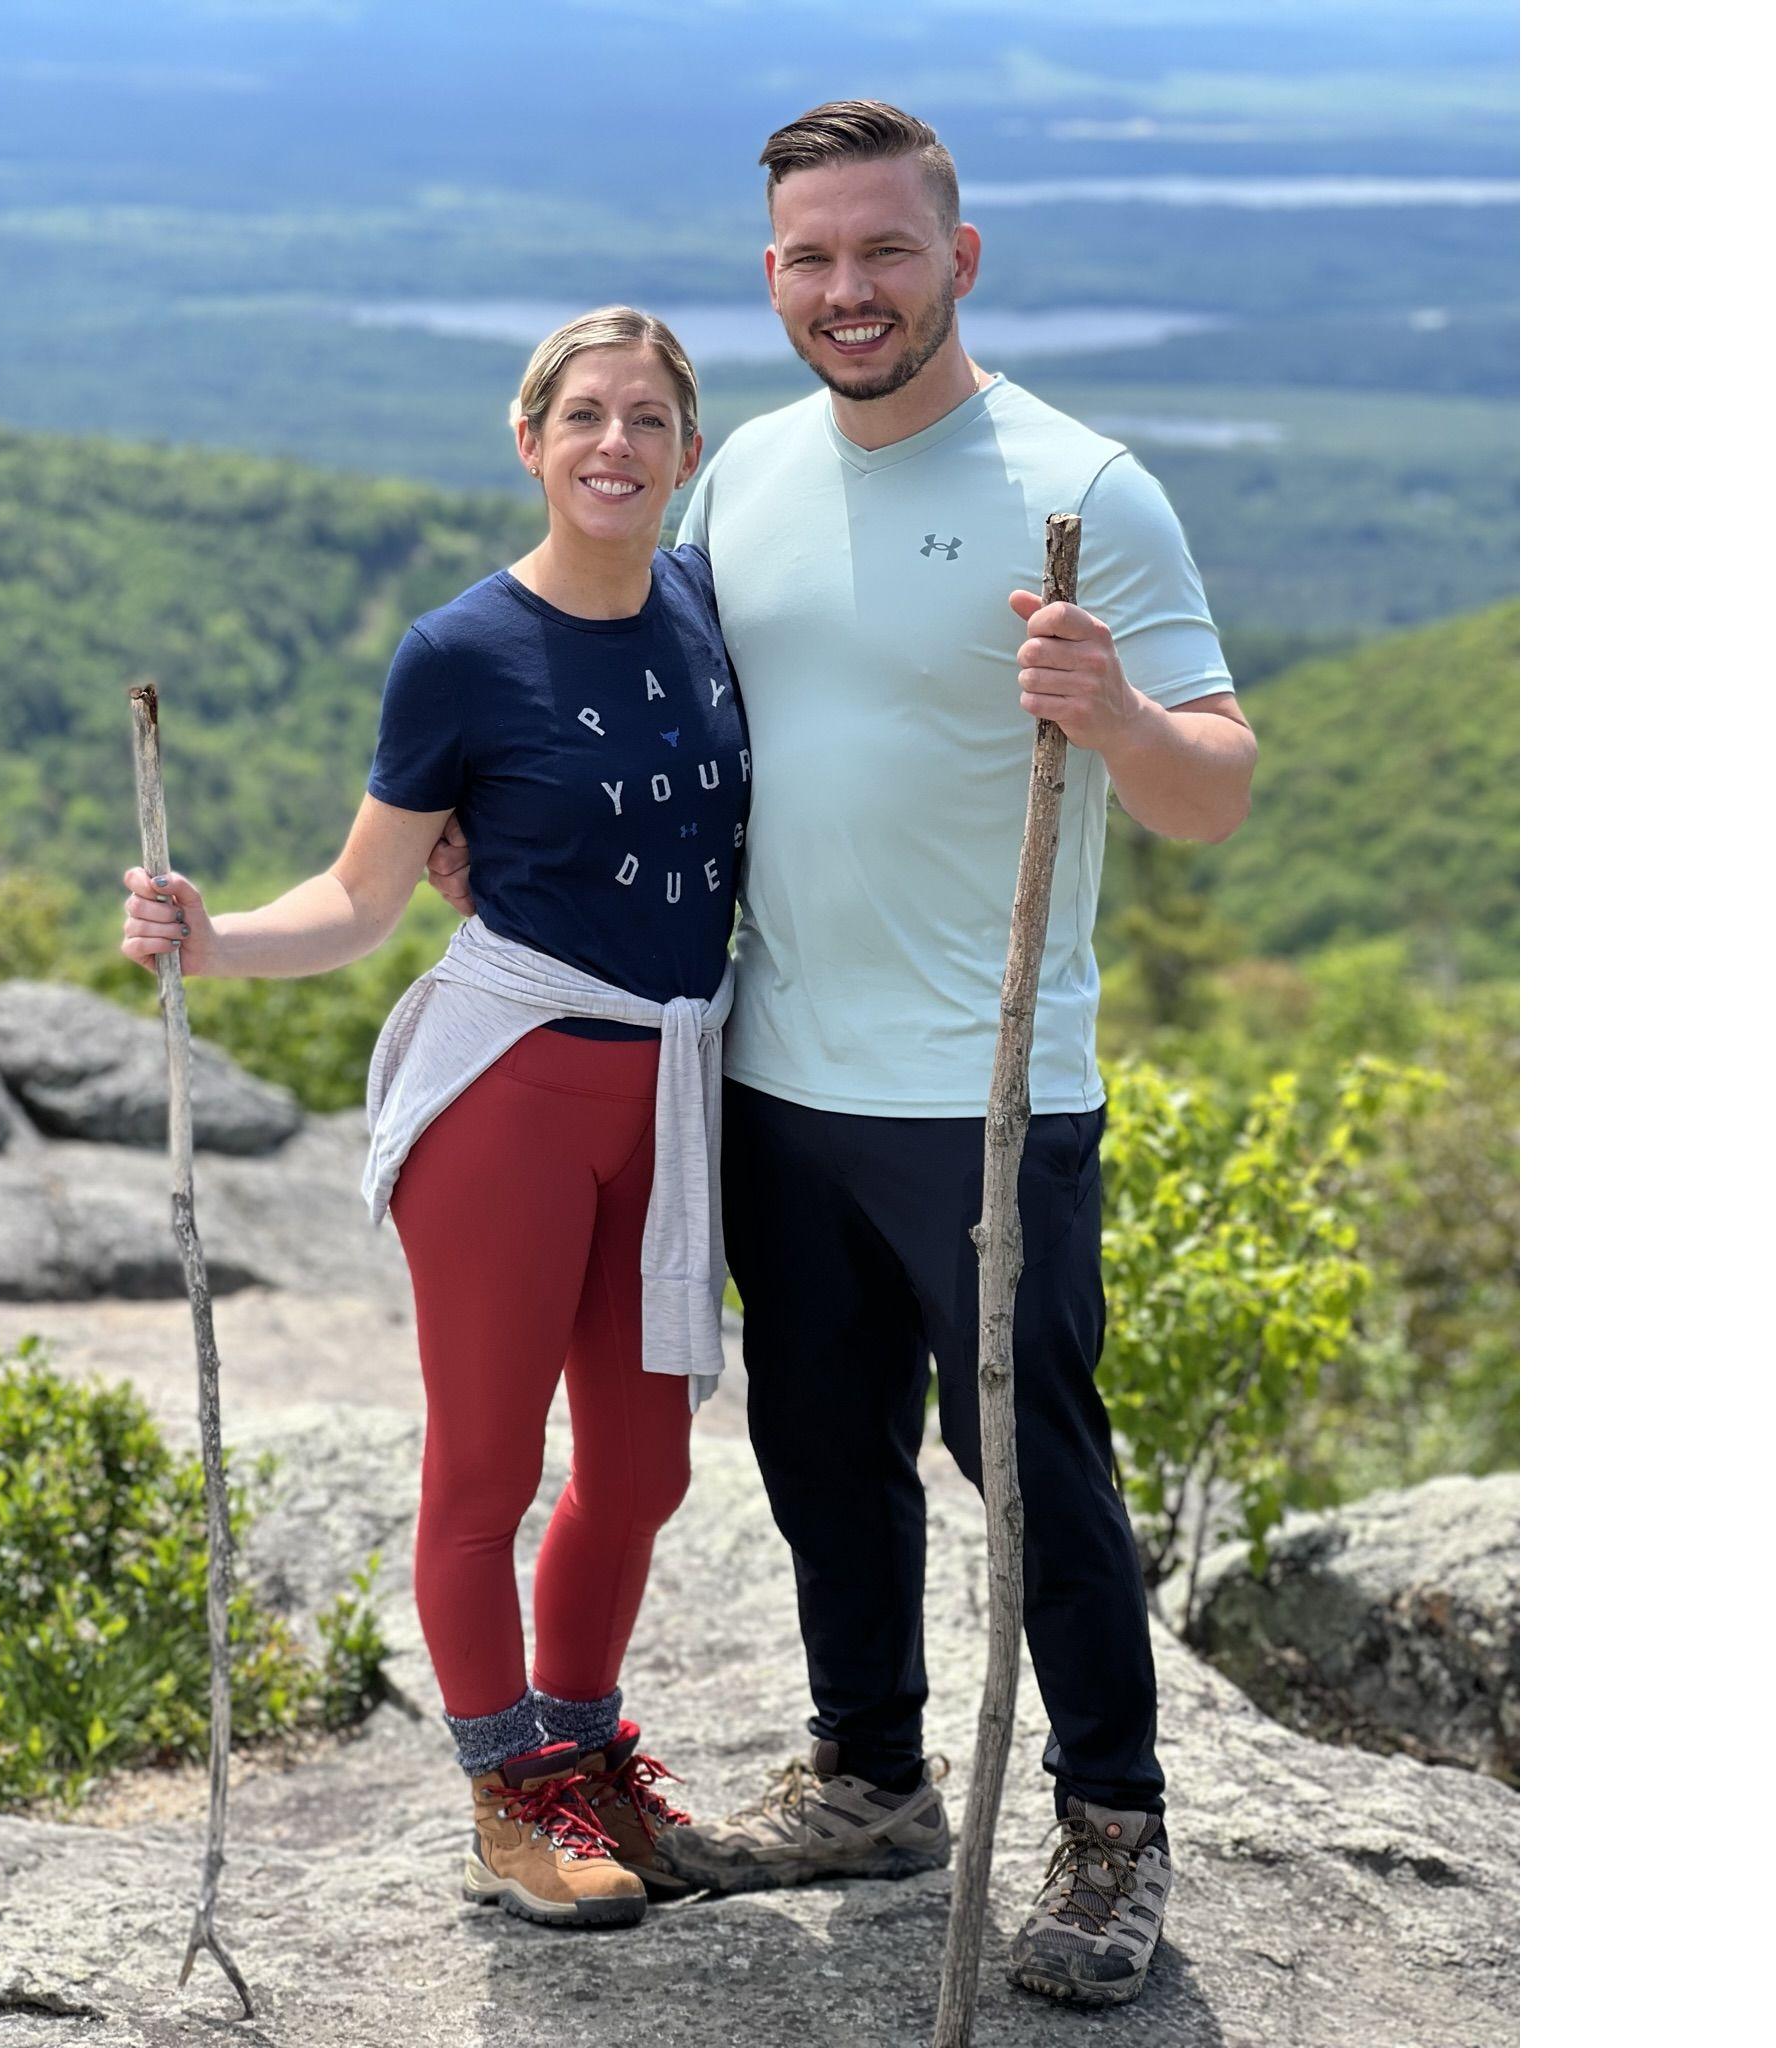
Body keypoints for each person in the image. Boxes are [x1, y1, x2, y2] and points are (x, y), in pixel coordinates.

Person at [426, 105, 1256, 2006]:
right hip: (772, 1069)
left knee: (1029, 1467)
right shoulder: (749, 480)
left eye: (881, 251)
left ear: (961, 258)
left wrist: (1121, 714)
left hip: (987, 1097)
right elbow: (640, 696)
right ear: (775, 275)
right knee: (822, 1457)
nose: (845, 289)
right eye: (808, 258)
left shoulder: (1085, 484)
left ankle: (1114, 1831)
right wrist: (506, 828)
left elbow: (1214, 791)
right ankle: (874, 1778)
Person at [118, 307, 751, 1931]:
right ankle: (509, 1795)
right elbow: (359, 893)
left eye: (650, 418)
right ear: (530, 440)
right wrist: (214, 936)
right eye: (585, 416)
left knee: (644, 1468)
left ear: (689, 446)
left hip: (670, 1099)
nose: (617, 445)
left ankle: (588, 1744)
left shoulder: (702, 605)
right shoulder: (462, 652)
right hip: (513, 1102)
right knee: (486, 1468)